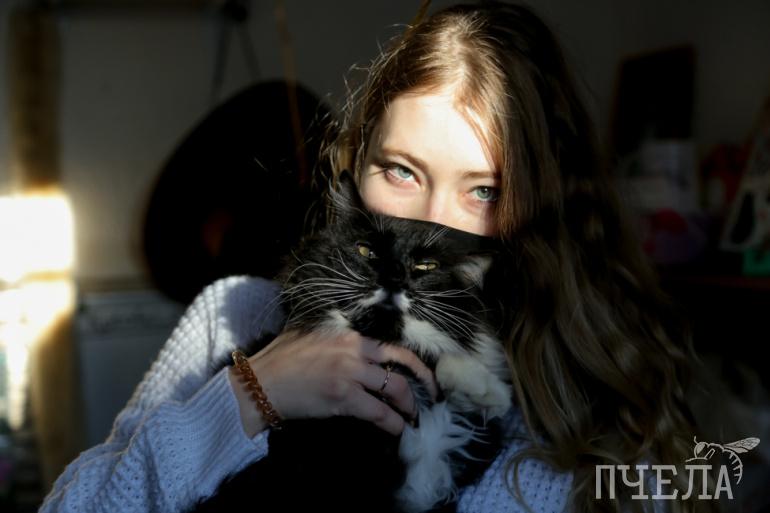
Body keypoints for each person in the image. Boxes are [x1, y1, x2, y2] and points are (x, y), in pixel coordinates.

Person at [40, 2, 706, 512]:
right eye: (402, 170)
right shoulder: (235, 315)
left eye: (484, 190)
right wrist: (249, 395)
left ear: (544, 207)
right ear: (356, 164)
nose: (432, 224)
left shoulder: (582, 411)